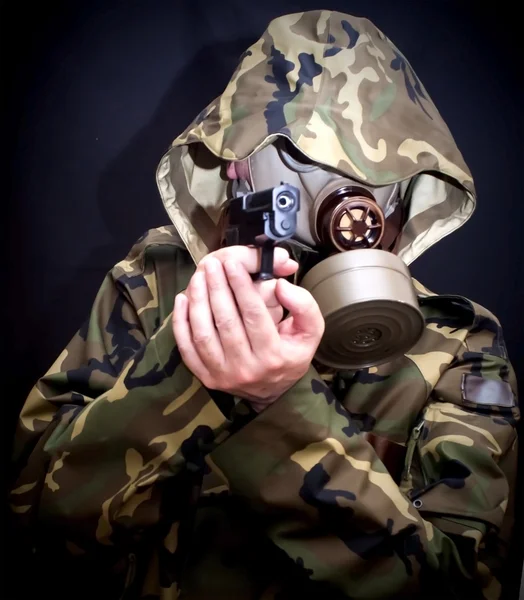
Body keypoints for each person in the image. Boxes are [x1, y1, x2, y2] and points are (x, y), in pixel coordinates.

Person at [9, 10, 519, 600]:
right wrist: (198, 349)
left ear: (410, 182)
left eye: (372, 164)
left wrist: (280, 403)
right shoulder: (156, 285)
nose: (341, 190)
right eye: (299, 154)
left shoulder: (460, 342)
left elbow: (466, 587)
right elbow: (38, 522)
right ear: (238, 164)